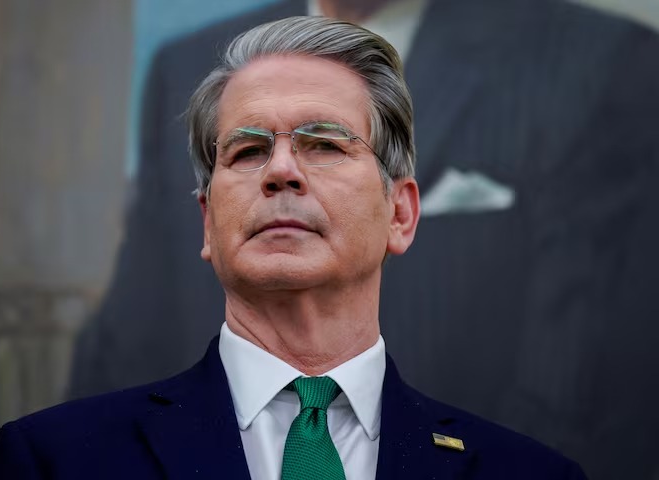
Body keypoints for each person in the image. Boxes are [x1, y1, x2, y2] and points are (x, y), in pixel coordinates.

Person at [69, 1, 659, 478]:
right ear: (206, 217)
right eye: (247, 150)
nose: (281, 170)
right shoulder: (186, 66)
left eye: (325, 144)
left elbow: (589, 377)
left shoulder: (600, 64)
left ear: (402, 212)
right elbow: (133, 329)